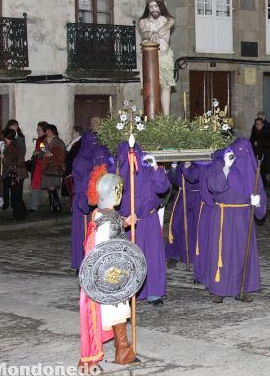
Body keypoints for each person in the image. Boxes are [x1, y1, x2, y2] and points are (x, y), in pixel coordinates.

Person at [78, 165, 139, 375]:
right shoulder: (108, 217)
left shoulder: (99, 213)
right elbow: (103, 246)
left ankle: (123, 350)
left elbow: (110, 223)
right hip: (106, 276)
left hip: (110, 275)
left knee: (118, 312)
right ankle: (92, 360)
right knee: (106, 313)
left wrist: (125, 222)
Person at [205, 138, 266, 303]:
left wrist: (257, 201)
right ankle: (220, 288)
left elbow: (258, 190)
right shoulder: (219, 163)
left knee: (241, 252)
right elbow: (214, 186)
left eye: (245, 152)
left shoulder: (252, 170)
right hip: (223, 215)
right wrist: (226, 167)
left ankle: (242, 288)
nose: (241, 155)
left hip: (243, 217)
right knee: (223, 251)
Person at [118, 142, 171, 306]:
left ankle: (153, 292)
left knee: (152, 256)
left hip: (149, 220)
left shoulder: (147, 168)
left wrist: (155, 167)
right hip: (129, 223)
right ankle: (129, 292)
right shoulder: (119, 171)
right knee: (130, 259)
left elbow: (163, 187)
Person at [71, 131, 113, 271]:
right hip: (84, 201)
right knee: (84, 233)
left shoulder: (103, 156)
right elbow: (82, 181)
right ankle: (83, 263)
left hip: (102, 202)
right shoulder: (80, 161)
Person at [138, 0, 175, 114]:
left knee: (166, 86)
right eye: (151, 6)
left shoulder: (168, 20)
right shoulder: (143, 21)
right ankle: (151, 116)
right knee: (151, 86)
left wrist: (157, 33)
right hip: (149, 58)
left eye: (156, 6)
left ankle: (166, 118)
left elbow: (167, 26)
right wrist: (150, 34)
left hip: (165, 57)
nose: (154, 9)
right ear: (148, 8)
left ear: (161, 6)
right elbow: (143, 33)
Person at [167, 162, 202, 266]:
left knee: (196, 226)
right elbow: (174, 180)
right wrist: (173, 167)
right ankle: (175, 254)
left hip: (197, 198)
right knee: (176, 225)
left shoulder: (200, 164)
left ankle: (196, 255)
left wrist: (187, 167)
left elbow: (193, 178)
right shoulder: (180, 163)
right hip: (182, 196)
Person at [2, 128, 27, 221]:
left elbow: (17, 161)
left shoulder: (14, 146)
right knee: (17, 195)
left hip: (16, 174)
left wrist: (3, 158)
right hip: (16, 174)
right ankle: (22, 213)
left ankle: (18, 216)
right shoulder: (12, 145)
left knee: (15, 196)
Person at [40, 125, 66, 213]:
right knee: (49, 186)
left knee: (52, 186)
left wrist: (52, 155)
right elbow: (41, 152)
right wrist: (43, 154)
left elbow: (62, 154)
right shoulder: (43, 141)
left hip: (54, 166)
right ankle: (53, 206)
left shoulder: (58, 141)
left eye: (48, 131)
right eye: (46, 131)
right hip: (46, 166)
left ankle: (57, 205)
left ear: (53, 132)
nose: (46, 132)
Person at [250, 117, 270, 186]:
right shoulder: (254, 131)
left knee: (263, 169)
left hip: (264, 153)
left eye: (259, 124)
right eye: (256, 124)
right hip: (256, 153)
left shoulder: (267, 131)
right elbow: (251, 140)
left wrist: (259, 143)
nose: (258, 125)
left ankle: (264, 183)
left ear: (262, 124)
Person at [29, 121, 48, 213]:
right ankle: (34, 205)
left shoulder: (43, 140)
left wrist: (37, 152)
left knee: (36, 183)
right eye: (37, 129)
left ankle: (34, 206)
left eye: (39, 129)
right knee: (35, 183)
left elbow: (44, 151)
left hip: (39, 165)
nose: (37, 131)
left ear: (44, 131)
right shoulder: (40, 139)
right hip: (37, 164)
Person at [63, 125, 83, 200]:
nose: (71, 133)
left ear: (78, 133)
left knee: (73, 186)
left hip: (73, 167)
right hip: (69, 166)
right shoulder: (73, 142)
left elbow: (74, 154)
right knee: (69, 187)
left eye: (73, 132)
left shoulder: (79, 142)